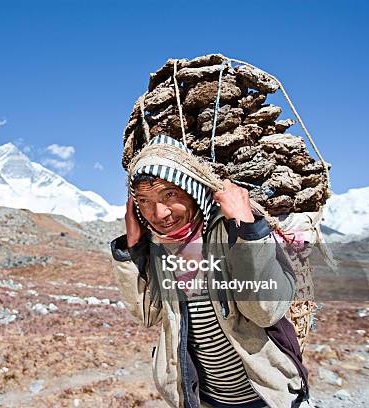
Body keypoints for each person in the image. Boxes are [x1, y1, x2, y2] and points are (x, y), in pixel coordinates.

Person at [111, 135, 310, 408]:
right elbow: (147, 314)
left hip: (267, 398)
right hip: (206, 401)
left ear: (191, 188)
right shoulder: (158, 249)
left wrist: (247, 231)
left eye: (170, 194)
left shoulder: (232, 232)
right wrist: (130, 250)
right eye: (144, 201)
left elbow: (264, 311)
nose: (159, 213)